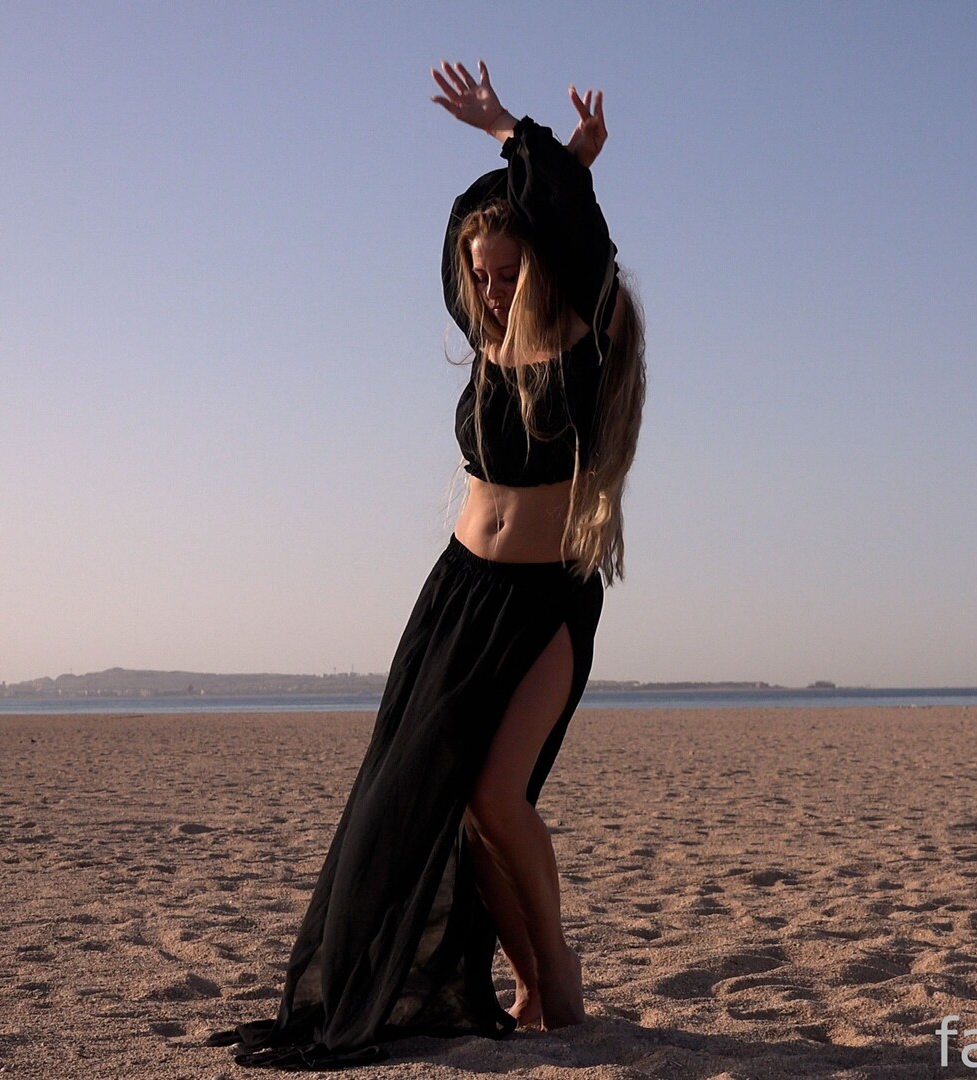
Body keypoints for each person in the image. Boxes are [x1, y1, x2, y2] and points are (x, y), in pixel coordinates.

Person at [206, 59, 646, 1070]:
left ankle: (559, 974)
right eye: (479, 275)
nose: (490, 290)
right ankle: (523, 981)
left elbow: (578, 241)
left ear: (545, 265)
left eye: (508, 272)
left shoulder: (584, 330)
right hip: (457, 594)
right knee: (435, 805)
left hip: (544, 598)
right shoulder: (484, 336)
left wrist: (511, 133)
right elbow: (493, 225)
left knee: (498, 797)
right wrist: (552, 173)